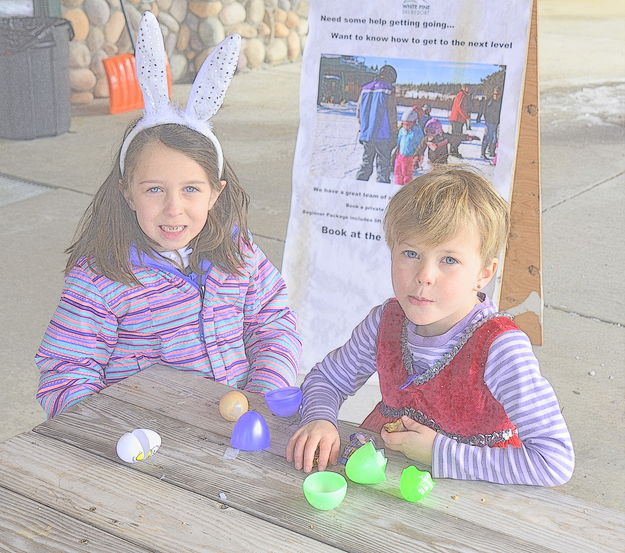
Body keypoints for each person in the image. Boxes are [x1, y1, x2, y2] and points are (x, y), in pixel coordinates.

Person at [35, 14, 302, 418]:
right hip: (144, 443)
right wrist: (108, 429)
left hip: (237, 427)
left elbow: (272, 320)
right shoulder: (101, 275)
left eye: (190, 189)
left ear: (216, 193)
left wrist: (264, 391)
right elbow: (66, 370)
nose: (173, 208)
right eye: (154, 189)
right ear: (127, 193)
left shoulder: (239, 252)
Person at [286, 166, 574, 487]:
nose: (424, 275)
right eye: (411, 253)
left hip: (476, 494)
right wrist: (320, 419)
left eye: (449, 260)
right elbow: (327, 379)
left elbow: (554, 460)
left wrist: (440, 453)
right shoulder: (385, 322)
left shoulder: (500, 349)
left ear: (484, 273)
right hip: (389, 477)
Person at [355, 65, 398, 183]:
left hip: (367, 135)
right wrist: (394, 132)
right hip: (383, 136)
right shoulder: (389, 89)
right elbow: (391, 113)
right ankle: (381, 194)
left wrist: (364, 128)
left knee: (365, 165)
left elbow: (358, 112)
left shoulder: (365, 89)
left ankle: (356, 188)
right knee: (383, 169)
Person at [393, 110, 424, 185]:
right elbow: (399, 141)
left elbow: (420, 144)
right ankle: (397, 186)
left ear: (413, 122)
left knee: (407, 174)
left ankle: (406, 188)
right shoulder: (402, 130)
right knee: (398, 171)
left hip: (410, 157)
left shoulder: (417, 132)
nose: (406, 126)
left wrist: (418, 156)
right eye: (404, 124)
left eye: (408, 124)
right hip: (400, 156)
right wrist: (397, 150)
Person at [448, 84, 471, 158]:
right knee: (457, 136)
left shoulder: (465, 96)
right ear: (464, 88)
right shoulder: (461, 95)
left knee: (456, 136)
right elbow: (459, 107)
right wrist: (466, 116)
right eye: (468, 88)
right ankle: (454, 152)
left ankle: (453, 151)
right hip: (456, 119)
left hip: (459, 119)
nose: (470, 89)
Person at [481, 87, 502, 160]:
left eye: (498, 94)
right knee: (487, 137)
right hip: (489, 122)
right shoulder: (490, 101)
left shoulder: (500, 102)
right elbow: (485, 110)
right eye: (495, 94)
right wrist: (486, 120)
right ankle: (482, 153)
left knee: (495, 139)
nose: (496, 95)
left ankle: (492, 152)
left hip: (496, 123)